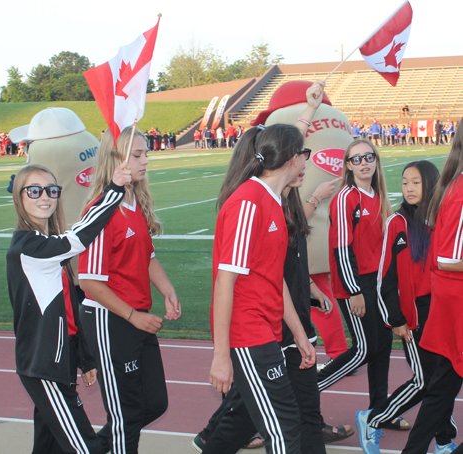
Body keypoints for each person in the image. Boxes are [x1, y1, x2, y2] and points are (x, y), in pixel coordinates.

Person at [209, 82, 327, 454]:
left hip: (267, 331)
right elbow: (224, 283)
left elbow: (275, 281)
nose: (308, 161)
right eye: (304, 154)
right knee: (283, 432)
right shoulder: (249, 203)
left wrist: (300, 334)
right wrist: (221, 354)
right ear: (293, 158)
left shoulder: (273, 201)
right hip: (248, 336)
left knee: (285, 426)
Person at [7, 162, 132, 454]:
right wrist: (114, 190)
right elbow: (79, 238)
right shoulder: (28, 248)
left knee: (49, 446)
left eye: (52, 190)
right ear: (19, 197)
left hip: (57, 364)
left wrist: (85, 358)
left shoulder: (45, 244)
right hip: (44, 367)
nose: (45, 197)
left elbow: (68, 306)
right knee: (88, 448)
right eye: (34, 190)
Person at [78, 126, 182, 454]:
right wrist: (134, 315)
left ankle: (91, 448)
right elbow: (89, 281)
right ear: (115, 161)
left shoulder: (134, 199)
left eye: (146, 153)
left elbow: (146, 256)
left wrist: (167, 289)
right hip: (112, 320)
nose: (145, 161)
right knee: (125, 415)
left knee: (154, 403)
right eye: (137, 155)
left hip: (137, 317)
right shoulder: (99, 210)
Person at [356, 161, 457, 454]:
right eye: (404, 182)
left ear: (432, 184)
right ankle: (374, 418)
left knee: (443, 379)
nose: (409, 188)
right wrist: (396, 319)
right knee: (426, 381)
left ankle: (443, 439)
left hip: (443, 311)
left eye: (416, 182)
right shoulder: (396, 222)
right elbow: (385, 277)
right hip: (414, 316)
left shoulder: (442, 219)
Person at [317, 139, 400, 432]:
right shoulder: (346, 197)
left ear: (376, 160)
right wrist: (355, 291)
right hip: (354, 284)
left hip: (377, 283)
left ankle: (380, 411)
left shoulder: (378, 194)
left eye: (369, 157)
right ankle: (308, 391)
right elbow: (342, 249)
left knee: (383, 346)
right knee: (365, 348)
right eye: (356, 159)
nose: (364, 163)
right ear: (348, 166)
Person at [401, 119, 463, 454]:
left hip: (451, 299)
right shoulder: (460, 188)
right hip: (457, 301)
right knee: (440, 385)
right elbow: (448, 258)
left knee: (441, 388)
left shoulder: (453, 184)